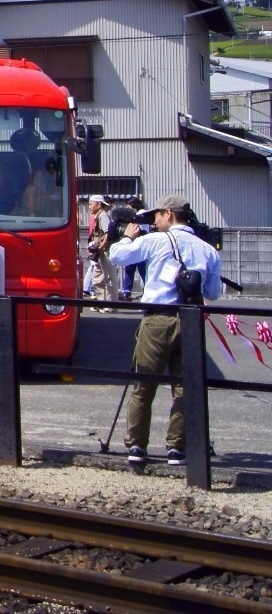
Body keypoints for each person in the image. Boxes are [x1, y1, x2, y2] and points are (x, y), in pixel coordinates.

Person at [107, 194, 224, 465]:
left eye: (156, 215)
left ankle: (137, 446)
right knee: (184, 388)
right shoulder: (208, 249)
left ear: (169, 214)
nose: (154, 221)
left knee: (144, 385)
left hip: (157, 319)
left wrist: (128, 237)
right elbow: (213, 292)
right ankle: (177, 448)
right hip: (191, 321)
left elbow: (117, 256)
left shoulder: (156, 241)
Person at [82, 194, 113, 301]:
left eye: (91, 204)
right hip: (100, 252)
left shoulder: (103, 215)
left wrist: (100, 248)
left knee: (106, 277)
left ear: (99, 204)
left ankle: (108, 303)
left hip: (103, 252)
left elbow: (107, 233)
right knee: (97, 278)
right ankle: (101, 301)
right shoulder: (98, 215)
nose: (89, 206)